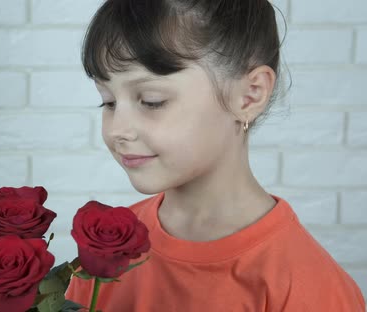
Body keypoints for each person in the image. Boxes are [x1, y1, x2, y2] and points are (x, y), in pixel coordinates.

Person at [64, 0, 366, 311]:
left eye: (152, 101)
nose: (118, 129)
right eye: (108, 102)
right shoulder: (105, 252)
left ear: (250, 95)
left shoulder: (310, 290)